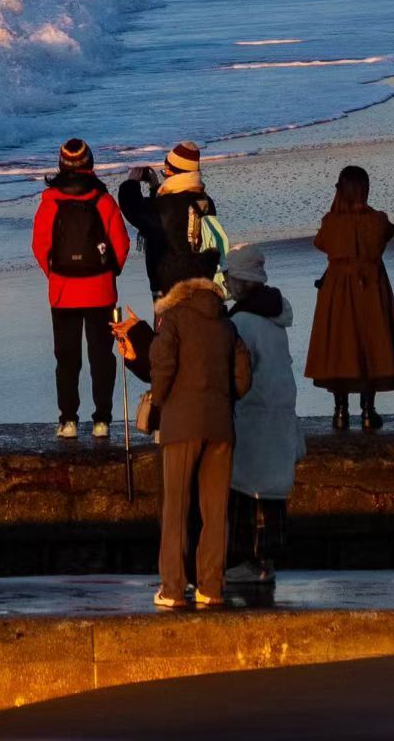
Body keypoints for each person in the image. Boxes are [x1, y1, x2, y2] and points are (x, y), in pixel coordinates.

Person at [149, 267, 252, 608]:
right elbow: (243, 377)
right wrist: (224, 398)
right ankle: (211, 586)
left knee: (176, 509)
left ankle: (173, 589)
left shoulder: (174, 321)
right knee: (215, 510)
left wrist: (161, 402)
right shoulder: (227, 326)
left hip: (181, 426)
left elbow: (162, 365)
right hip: (221, 425)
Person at [30, 139, 130, 440]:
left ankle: (69, 421)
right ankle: (102, 421)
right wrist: (109, 274)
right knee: (102, 356)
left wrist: (56, 275)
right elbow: (121, 245)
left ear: (61, 164)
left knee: (67, 359)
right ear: (90, 164)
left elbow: (39, 247)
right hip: (100, 291)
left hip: (63, 292)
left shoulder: (49, 201)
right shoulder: (103, 200)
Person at [305, 165, 394, 430]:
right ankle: (367, 411)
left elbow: (320, 243)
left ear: (341, 190)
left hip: (337, 289)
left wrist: (339, 209)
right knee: (369, 343)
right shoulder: (377, 220)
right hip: (370, 287)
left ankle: (340, 412)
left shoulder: (331, 221)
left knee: (340, 346)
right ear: (365, 189)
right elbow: (388, 232)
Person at [224, 246, 304, 586]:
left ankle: (247, 560)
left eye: (228, 276)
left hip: (254, 417)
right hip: (279, 415)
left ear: (240, 281)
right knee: (271, 495)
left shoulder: (241, 321)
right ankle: (266, 559)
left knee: (246, 493)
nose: (225, 281)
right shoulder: (273, 318)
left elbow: (238, 372)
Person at [118, 140, 225, 301]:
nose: (165, 175)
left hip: (168, 288)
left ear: (174, 173)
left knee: (169, 327)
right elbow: (168, 217)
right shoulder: (205, 201)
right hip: (203, 281)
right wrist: (155, 187)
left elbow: (136, 212)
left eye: (165, 171)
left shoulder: (166, 205)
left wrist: (130, 184)